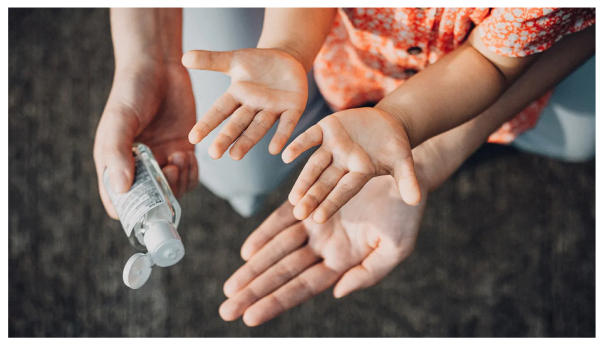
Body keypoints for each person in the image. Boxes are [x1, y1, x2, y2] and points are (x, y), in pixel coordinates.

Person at [94, 8, 595, 326]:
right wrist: (287, 47)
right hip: (338, 49)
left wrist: (408, 128)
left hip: (460, 72)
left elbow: (491, 63)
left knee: (582, 139)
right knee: (226, 168)